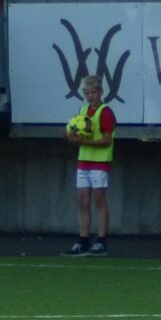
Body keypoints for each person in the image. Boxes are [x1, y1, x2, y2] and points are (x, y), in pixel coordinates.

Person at [64, 72, 115, 256]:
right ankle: (83, 240)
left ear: (100, 92)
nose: (90, 96)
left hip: (100, 162)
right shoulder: (83, 111)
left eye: (93, 92)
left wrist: (84, 142)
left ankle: (101, 242)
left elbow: (107, 140)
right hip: (84, 161)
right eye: (86, 92)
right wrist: (70, 137)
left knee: (99, 201)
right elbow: (79, 133)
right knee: (82, 201)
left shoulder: (105, 112)